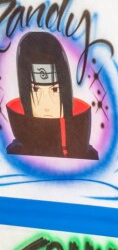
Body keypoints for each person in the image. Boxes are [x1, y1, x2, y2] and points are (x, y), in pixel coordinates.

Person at [4, 31, 99, 160]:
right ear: (26, 96)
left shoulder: (86, 154)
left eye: (54, 90)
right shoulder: (16, 153)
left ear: (65, 93)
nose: (46, 104)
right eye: (36, 90)